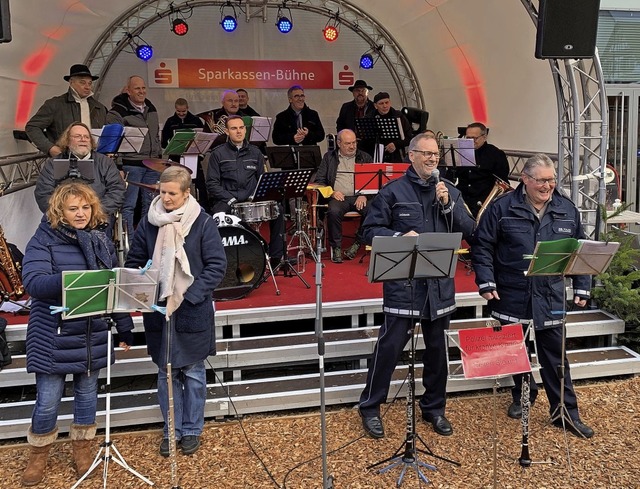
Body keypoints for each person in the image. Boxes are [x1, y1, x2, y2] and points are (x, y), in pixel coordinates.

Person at [357, 133, 475, 439]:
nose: (433, 159)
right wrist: (397, 238)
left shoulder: (448, 190)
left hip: (439, 286)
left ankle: (434, 408)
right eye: (427, 154)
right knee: (390, 347)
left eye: (436, 155)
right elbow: (368, 230)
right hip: (404, 285)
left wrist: (448, 206)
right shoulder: (393, 192)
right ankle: (370, 407)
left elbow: (469, 230)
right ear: (411, 156)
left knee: (437, 351)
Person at [471, 153, 594, 439]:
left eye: (551, 180)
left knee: (556, 358)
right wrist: (486, 281)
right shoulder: (501, 208)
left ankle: (565, 413)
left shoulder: (567, 209)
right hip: (510, 293)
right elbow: (482, 247)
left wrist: (582, 286)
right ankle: (522, 395)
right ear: (524, 179)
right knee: (515, 352)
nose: (548, 185)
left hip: (550, 295)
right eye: (541, 180)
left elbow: (580, 249)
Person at [21, 182, 133, 486]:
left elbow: (112, 285)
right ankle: (38, 455)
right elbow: (34, 283)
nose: (81, 213)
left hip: (91, 333)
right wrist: (76, 281)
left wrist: (124, 325)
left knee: (87, 396)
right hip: (54, 335)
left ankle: (82, 449)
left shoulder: (100, 239)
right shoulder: (42, 240)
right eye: (73, 209)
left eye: (85, 207)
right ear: (60, 211)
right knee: (47, 401)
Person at [125, 165, 227, 456]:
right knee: (164, 374)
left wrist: (191, 295)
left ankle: (192, 429)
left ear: (186, 193)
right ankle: (172, 430)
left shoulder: (203, 223)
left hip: (191, 307)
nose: (166, 198)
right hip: (158, 307)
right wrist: (142, 284)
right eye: (162, 192)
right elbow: (135, 260)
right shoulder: (148, 222)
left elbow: (216, 266)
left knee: (193, 372)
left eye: (172, 193)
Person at [205, 116, 285, 265]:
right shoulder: (217, 154)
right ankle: (222, 260)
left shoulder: (255, 153)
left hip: (251, 199)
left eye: (241, 128)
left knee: (278, 210)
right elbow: (212, 184)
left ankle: (275, 257)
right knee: (218, 216)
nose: (239, 131)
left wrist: (256, 197)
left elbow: (262, 180)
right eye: (234, 128)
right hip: (226, 199)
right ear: (227, 132)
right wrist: (230, 199)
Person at [106, 75, 162, 242]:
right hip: (131, 165)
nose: (141, 91)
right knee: (128, 206)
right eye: (137, 88)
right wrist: (119, 167)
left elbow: (155, 134)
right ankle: (129, 243)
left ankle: (146, 241)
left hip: (152, 164)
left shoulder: (151, 109)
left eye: (143, 88)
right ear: (128, 91)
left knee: (151, 205)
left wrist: (158, 156)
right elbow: (112, 144)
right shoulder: (116, 112)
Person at [34, 122, 126, 218]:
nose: (83, 139)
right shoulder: (53, 163)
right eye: (77, 136)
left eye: (86, 137)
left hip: (98, 217)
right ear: (67, 141)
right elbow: (43, 193)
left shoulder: (105, 162)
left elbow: (117, 190)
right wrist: (64, 214)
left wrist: (95, 211)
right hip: (63, 219)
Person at [314, 129, 372, 263]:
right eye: (347, 143)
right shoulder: (329, 157)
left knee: (372, 210)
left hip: (359, 196)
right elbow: (319, 181)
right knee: (333, 211)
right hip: (338, 197)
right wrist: (332, 192)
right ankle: (337, 247)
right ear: (338, 143)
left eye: (354, 143)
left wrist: (364, 195)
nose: (352, 146)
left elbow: (374, 182)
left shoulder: (365, 157)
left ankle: (358, 243)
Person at [26, 64, 107, 157]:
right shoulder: (55, 104)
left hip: (95, 158)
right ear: (71, 82)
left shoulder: (100, 108)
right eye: (82, 82)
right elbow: (32, 127)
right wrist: (50, 148)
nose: (87, 87)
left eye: (89, 83)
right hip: (65, 157)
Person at [455, 122, 510, 217]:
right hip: (462, 200)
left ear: (484, 137)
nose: (471, 141)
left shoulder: (496, 154)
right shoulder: (460, 152)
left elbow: (503, 182)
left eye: (475, 138)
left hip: (484, 203)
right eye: (468, 138)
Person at [360, 92, 412, 163]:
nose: (385, 106)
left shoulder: (398, 116)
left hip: (396, 156)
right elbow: (364, 141)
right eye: (381, 103)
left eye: (387, 102)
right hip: (375, 156)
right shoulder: (369, 118)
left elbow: (409, 138)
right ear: (375, 106)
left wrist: (396, 144)